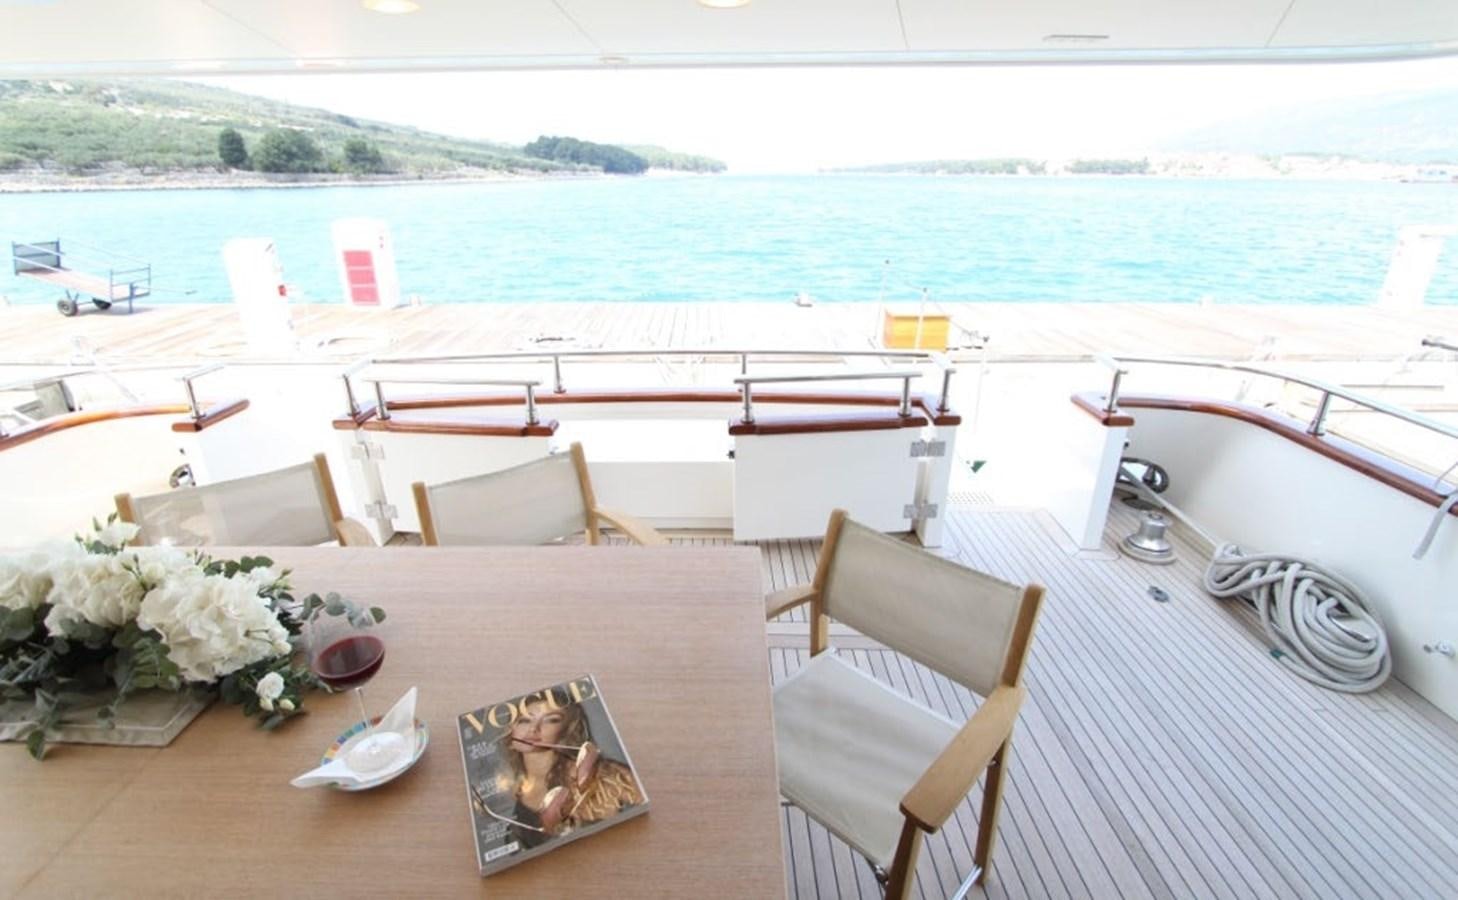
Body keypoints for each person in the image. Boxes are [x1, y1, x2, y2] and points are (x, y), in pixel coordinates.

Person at [499, 696, 643, 846]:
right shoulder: (516, 790)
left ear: (567, 728)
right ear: (511, 730)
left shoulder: (602, 774)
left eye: (551, 720)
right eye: (524, 720)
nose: (533, 729)